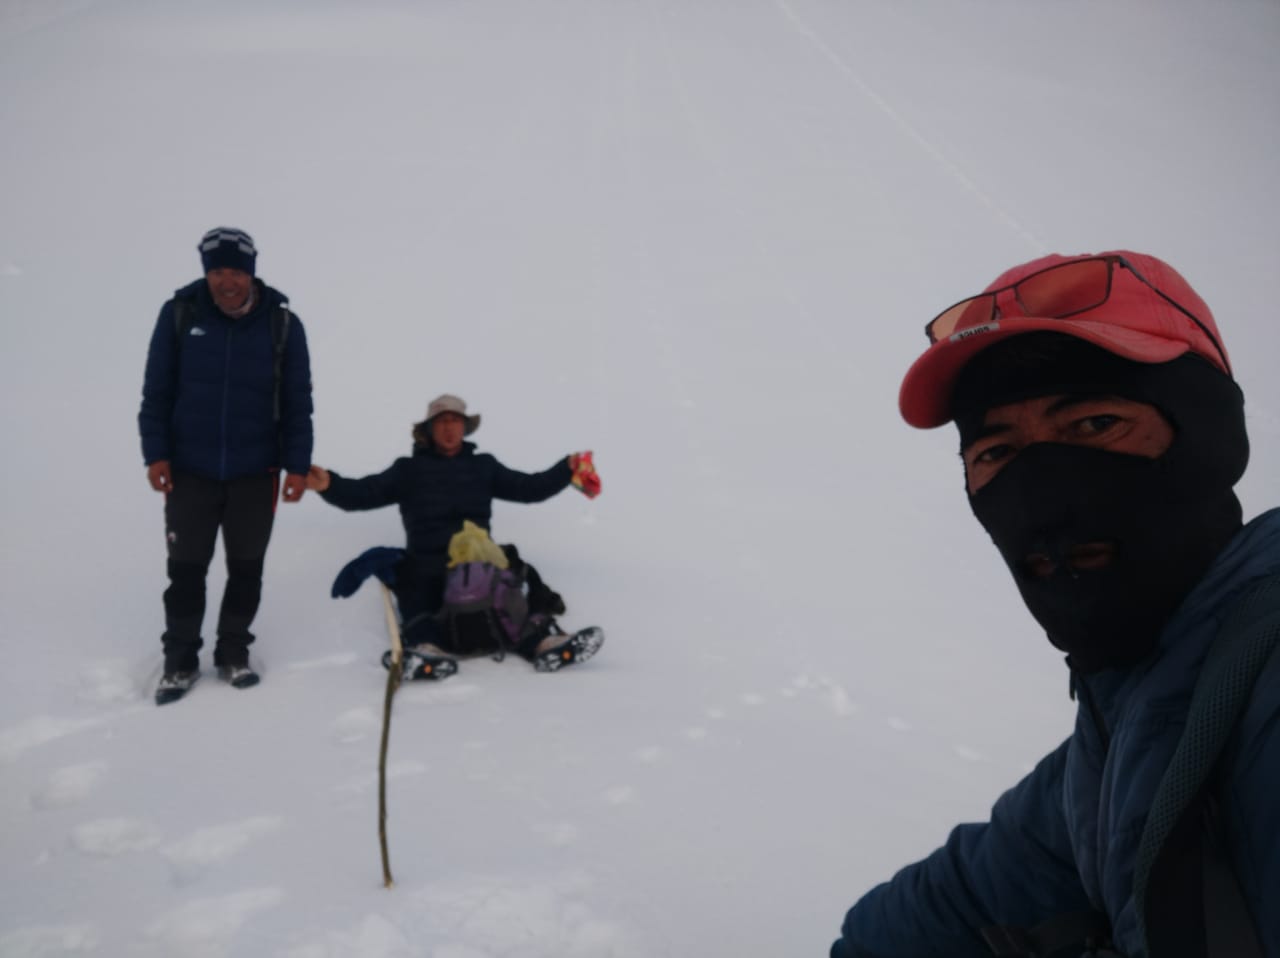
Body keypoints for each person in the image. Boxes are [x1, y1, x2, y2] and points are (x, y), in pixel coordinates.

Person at [830, 251, 1279, 957]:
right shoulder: (1126, 716)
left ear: (1207, 439)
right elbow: (966, 893)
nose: (1042, 496)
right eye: (996, 453)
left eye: (1096, 425)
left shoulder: (1257, 695)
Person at [138, 227, 314, 705]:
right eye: (217, 270)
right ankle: (179, 660)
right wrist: (155, 453)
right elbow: (157, 392)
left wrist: (296, 466)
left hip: (256, 473)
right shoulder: (179, 315)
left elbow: (299, 403)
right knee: (186, 570)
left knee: (246, 569)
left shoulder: (282, 325)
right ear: (206, 272)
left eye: (235, 270)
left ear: (250, 272)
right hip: (190, 471)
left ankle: (233, 652)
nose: (226, 281)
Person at [305, 393, 601, 670]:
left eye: (456, 421)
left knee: (508, 578)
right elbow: (362, 494)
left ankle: (543, 645)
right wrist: (328, 484)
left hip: (476, 559)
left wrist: (566, 468)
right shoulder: (408, 470)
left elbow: (530, 489)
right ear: (430, 429)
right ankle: (427, 649)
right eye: (442, 421)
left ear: (465, 428)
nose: (450, 428)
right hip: (428, 560)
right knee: (410, 577)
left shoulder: (484, 466)